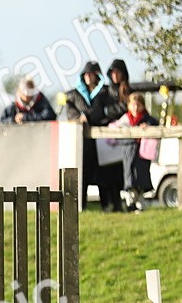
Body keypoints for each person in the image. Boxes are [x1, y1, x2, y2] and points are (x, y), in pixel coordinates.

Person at [65, 61, 123, 211]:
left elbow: (112, 110)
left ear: (97, 76)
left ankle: (106, 205)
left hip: (102, 139)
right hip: (82, 140)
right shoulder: (73, 94)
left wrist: (99, 115)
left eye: (91, 74)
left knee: (104, 173)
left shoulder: (106, 92)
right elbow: (70, 110)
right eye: (86, 74)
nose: (88, 77)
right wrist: (79, 117)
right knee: (83, 172)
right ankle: (81, 205)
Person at [110, 92, 160, 211]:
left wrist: (146, 127)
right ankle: (130, 203)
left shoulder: (147, 119)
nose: (136, 108)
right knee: (129, 176)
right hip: (128, 152)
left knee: (141, 176)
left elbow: (155, 125)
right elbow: (115, 130)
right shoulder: (125, 119)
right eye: (133, 105)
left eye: (138, 105)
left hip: (142, 153)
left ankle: (140, 202)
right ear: (128, 106)